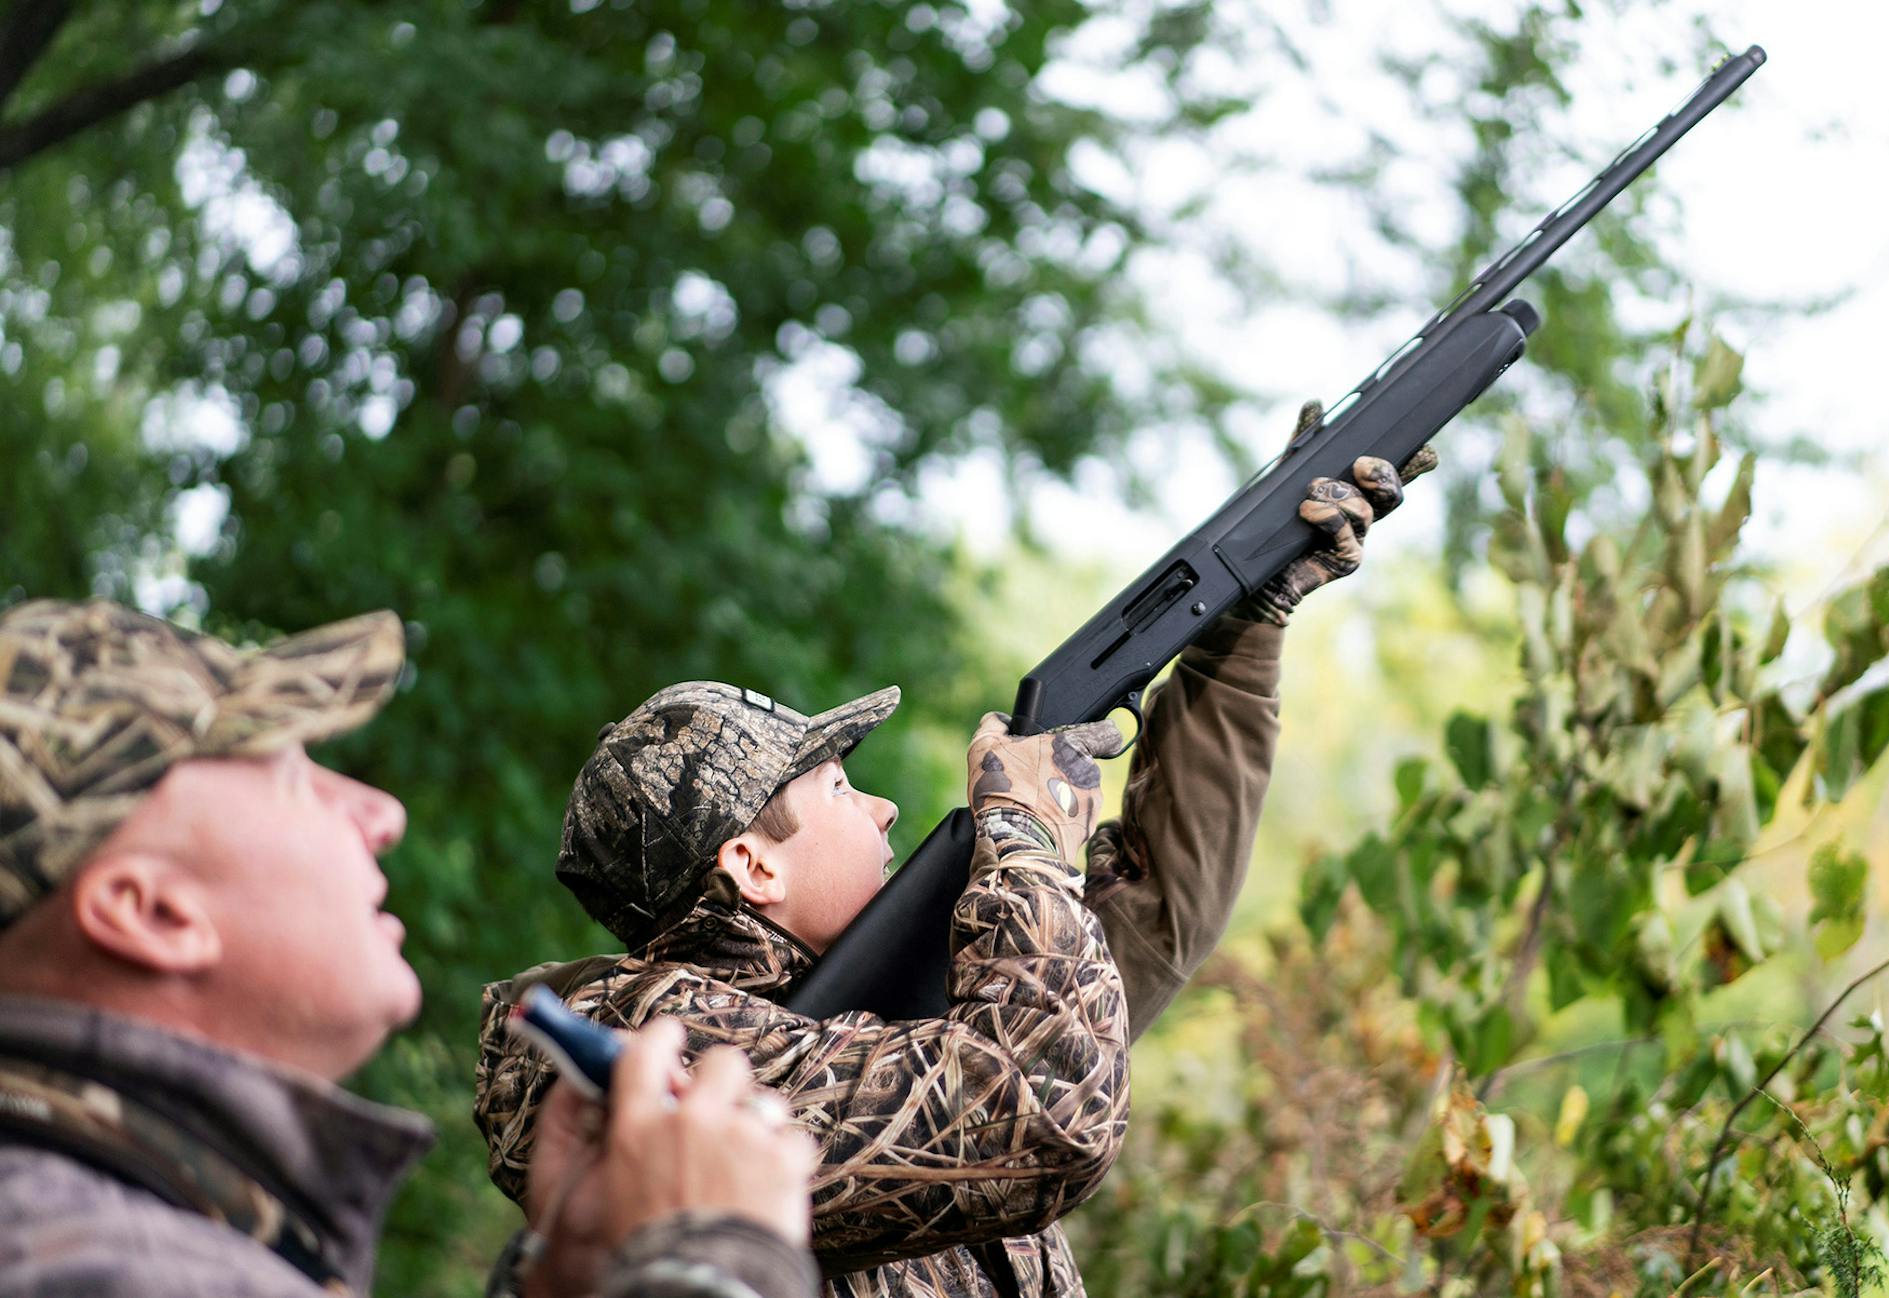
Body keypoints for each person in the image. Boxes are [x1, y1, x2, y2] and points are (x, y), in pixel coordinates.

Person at [474, 412, 1433, 1297]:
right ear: (753, 866)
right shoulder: (645, 1058)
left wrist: (1241, 627)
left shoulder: (896, 1009)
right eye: (841, 790)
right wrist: (1019, 840)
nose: (886, 809)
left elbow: (1153, 909)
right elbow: (1049, 1106)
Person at [0, 598, 820, 1298]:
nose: (381, 812)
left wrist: (565, 1281)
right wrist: (712, 1272)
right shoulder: (98, 1263)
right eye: (291, 773)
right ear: (152, 912)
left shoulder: (135, 1223)